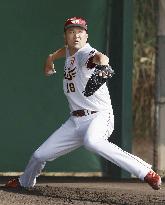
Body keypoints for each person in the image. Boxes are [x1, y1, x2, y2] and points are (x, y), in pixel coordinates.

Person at [5, 17, 161, 190]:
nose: (76, 36)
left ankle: (146, 172)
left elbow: (101, 58)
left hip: (99, 116)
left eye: (80, 32)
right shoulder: (69, 51)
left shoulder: (86, 54)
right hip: (75, 122)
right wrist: (50, 58)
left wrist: (103, 64)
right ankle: (25, 181)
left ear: (86, 36)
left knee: (92, 141)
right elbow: (64, 52)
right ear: (65, 37)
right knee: (39, 155)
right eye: (71, 32)